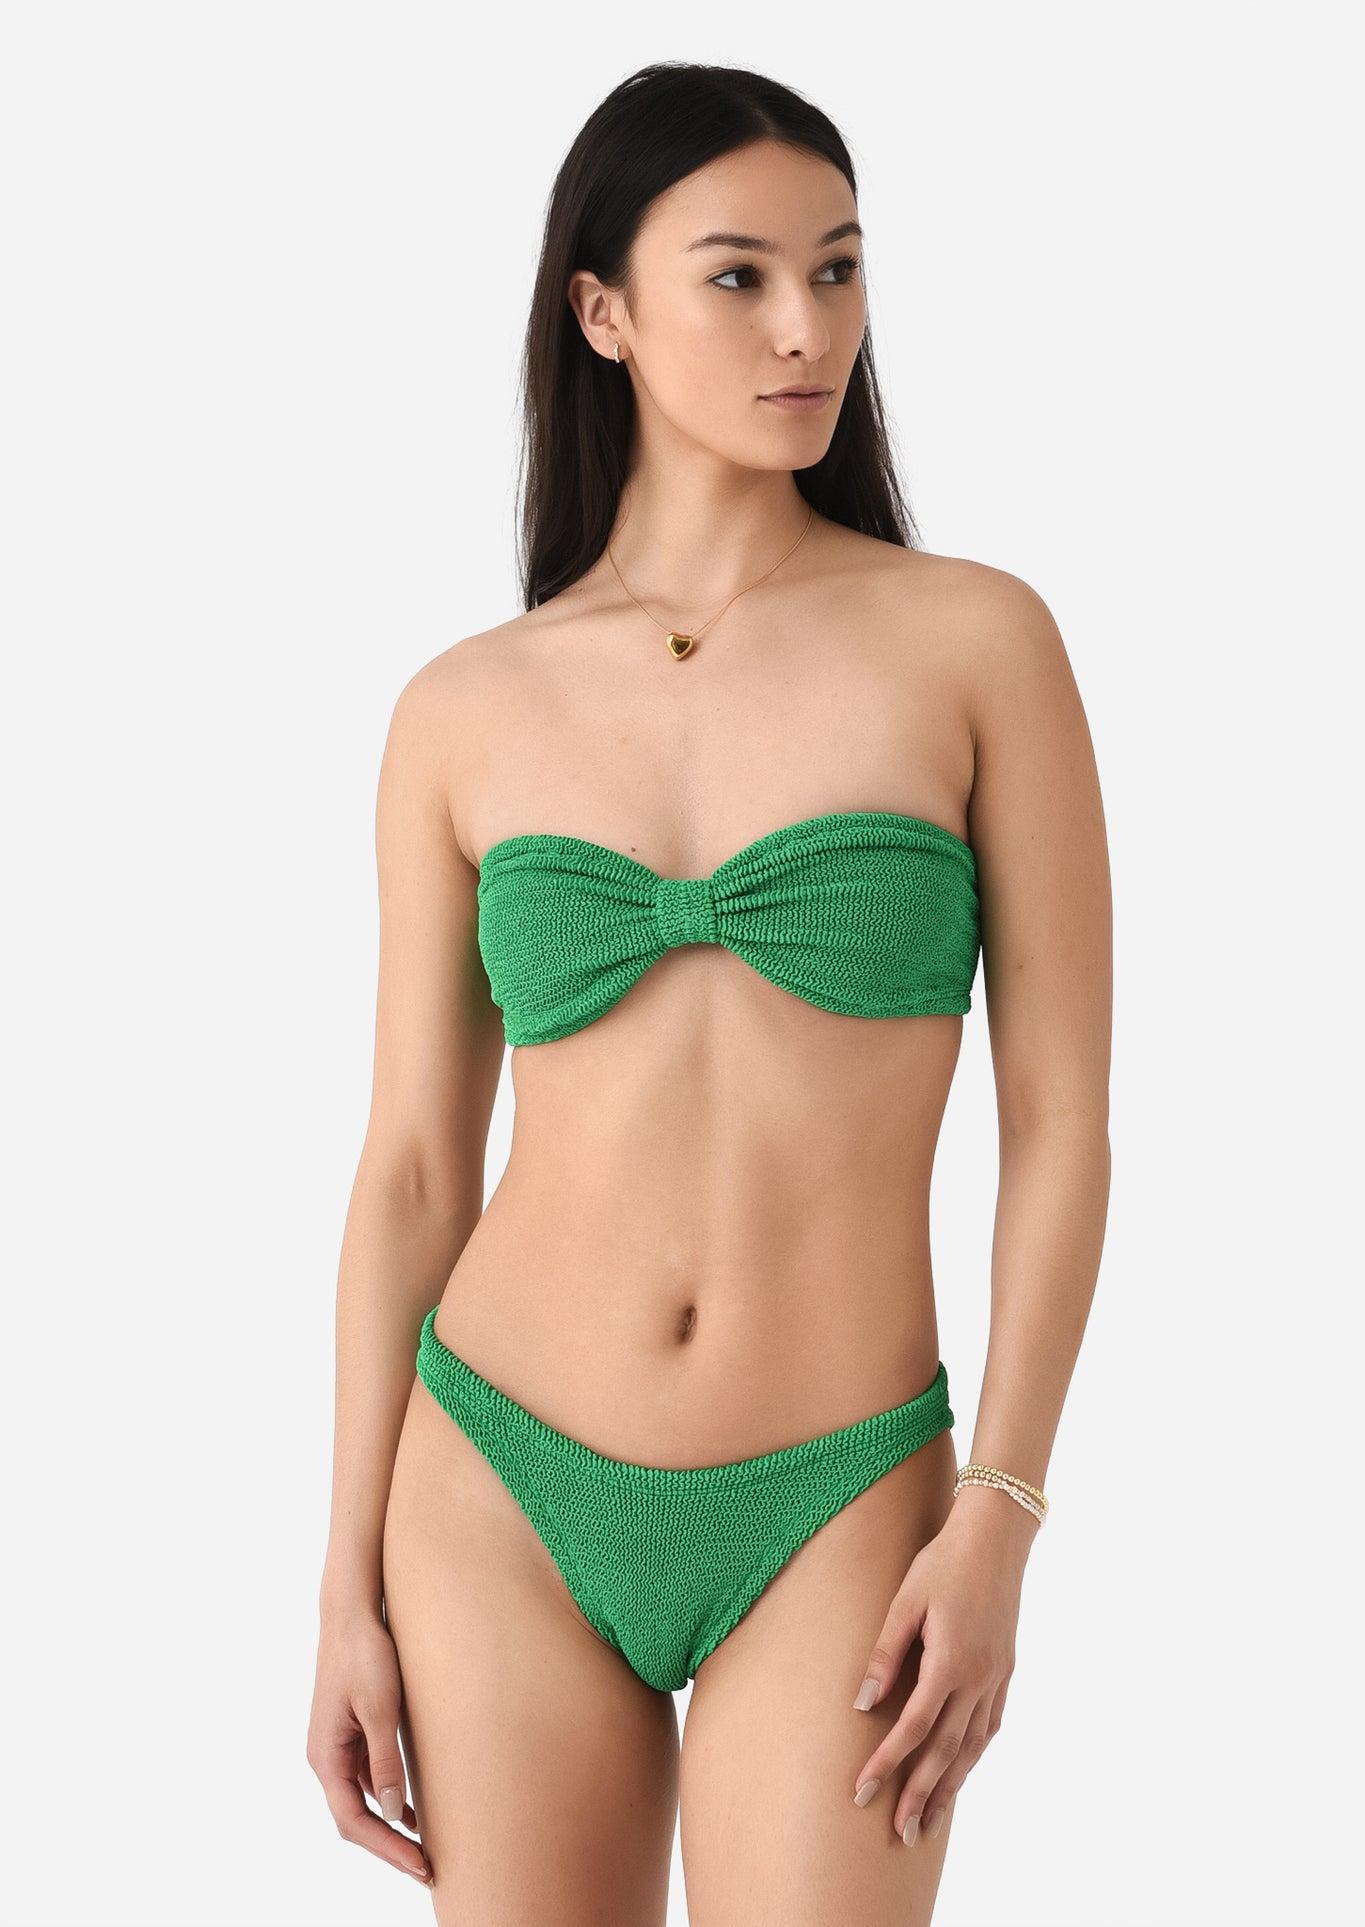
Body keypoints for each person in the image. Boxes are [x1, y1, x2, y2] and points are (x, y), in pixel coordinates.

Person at [307, 60, 1112, 1925]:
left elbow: (1062, 1121)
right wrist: (343, 1574)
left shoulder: (973, 641)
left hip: (841, 1490)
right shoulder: (466, 707)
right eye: (738, 277)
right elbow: (413, 1168)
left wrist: (999, 1508)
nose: (804, 327)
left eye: (836, 269)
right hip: (494, 1480)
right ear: (602, 314)